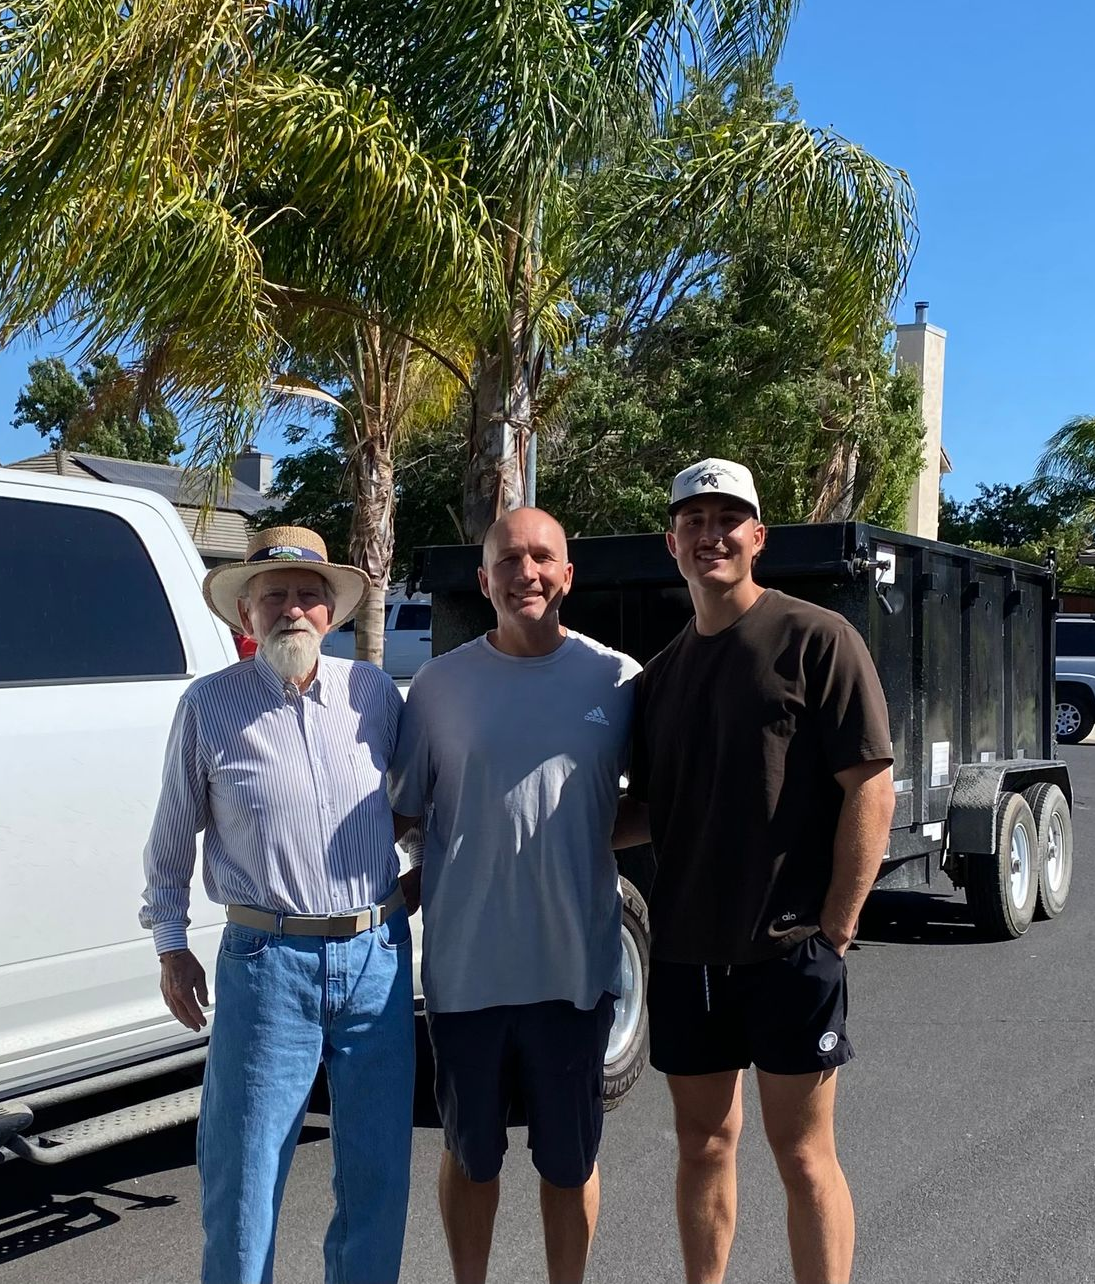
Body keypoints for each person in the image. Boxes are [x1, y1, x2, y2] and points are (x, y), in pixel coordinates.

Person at [617, 459, 895, 1284]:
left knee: (804, 1157)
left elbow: (869, 790)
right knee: (703, 1146)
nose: (711, 534)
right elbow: (649, 812)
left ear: (757, 536)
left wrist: (836, 928)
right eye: (693, 521)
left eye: (727, 519)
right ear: (672, 543)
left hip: (789, 949)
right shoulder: (659, 675)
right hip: (687, 950)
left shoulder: (816, 640)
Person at [141, 526, 414, 1284]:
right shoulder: (210, 706)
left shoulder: (373, 694)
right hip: (268, 965)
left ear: (330, 611)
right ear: (246, 616)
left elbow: (413, 812)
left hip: (377, 962)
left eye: (307, 596)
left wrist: (411, 895)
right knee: (245, 1175)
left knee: (377, 1174)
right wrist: (170, 946)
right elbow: (168, 845)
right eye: (274, 597)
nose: (292, 609)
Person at [388, 507, 639, 1284]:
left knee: (569, 1164)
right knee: (472, 1158)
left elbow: (656, 803)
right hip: (466, 976)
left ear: (567, 574)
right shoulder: (437, 686)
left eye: (541, 557)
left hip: (573, 972)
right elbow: (404, 813)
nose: (524, 572)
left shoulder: (618, 680)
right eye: (507, 558)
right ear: (482, 578)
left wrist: (578, 834)